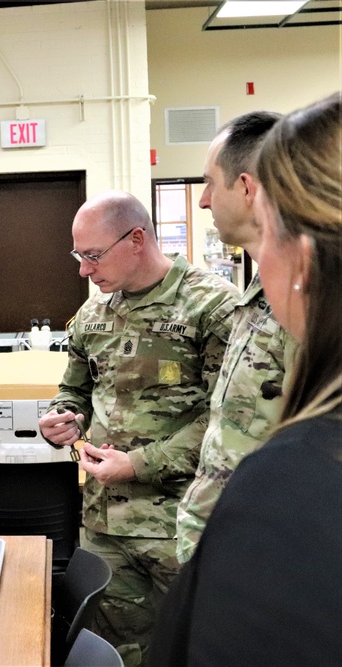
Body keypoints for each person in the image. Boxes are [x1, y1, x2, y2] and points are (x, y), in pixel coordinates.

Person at [151, 92, 342, 666]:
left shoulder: (300, 478)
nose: (203, 199)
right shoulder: (251, 304)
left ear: (303, 260)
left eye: (270, 229)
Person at [37, 190, 239, 666]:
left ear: (136, 239)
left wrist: (139, 464)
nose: (84, 270)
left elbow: (230, 419)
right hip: (107, 526)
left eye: (92, 255)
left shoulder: (212, 307)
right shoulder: (93, 314)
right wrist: (62, 419)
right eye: (78, 256)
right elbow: (75, 391)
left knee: (193, 650)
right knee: (119, 654)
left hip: (184, 522)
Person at [175, 111, 294, 563]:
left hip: (265, 560)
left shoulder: (306, 301)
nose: (203, 200)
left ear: (246, 188)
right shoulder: (259, 294)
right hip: (221, 549)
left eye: (210, 183)